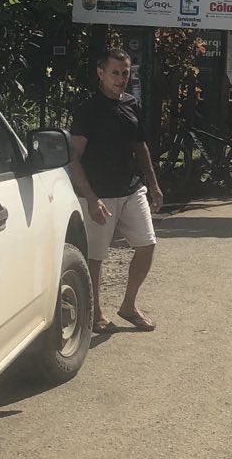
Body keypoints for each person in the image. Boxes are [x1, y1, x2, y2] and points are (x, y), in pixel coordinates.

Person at [68, 48, 163, 333]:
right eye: (115, 73)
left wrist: (153, 184)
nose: (121, 78)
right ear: (101, 73)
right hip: (99, 193)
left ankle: (128, 305)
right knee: (96, 256)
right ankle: (96, 313)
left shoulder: (131, 103)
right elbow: (73, 157)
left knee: (147, 245)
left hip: (131, 188)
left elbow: (140, 146)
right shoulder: (88, 109)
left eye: (125, 73)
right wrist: (90, 196)